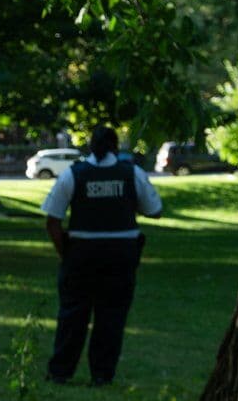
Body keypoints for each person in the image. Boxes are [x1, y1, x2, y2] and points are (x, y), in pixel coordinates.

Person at [41, 126, 163, 385]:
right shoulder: (133, 173)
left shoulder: (73, 175)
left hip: (81, 255)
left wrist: (66, 253)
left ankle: (60, 372)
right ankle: (102, 374)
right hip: (121, 256)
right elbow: (155, 210)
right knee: (112, 316)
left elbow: (52, 220)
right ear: (116, 147)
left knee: (72, 315)